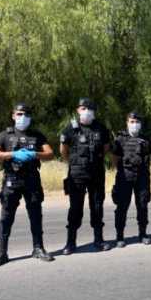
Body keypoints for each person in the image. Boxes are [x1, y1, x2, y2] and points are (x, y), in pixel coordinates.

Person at [0, 103, 55, 269]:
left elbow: (50, 154)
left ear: (30, 117)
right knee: (6, 218)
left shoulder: (37, 135)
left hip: (32, 180)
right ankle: (1, 253)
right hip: (12, 180)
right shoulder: (5, 135)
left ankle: (38, 248)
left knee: (36, 216)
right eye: (19, 113)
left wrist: (35, 154)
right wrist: (12, 154)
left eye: (26, 114)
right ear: (13, 115)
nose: (22, 117)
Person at [60, 98, 112, 254]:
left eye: (90, 108)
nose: (87, 111)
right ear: (78, 110)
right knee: (75, 207)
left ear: (94, 111)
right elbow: (63, 150)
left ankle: (99, 240)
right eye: (83, 108)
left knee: (97, 206)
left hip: (96, 173)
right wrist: (74, 162)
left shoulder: (101, 128)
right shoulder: (70, 128)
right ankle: (70, 242)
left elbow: (106, 148)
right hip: (77, 174)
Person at [111, 112, 151, 248]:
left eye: (137, 122)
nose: (134, 124)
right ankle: (120, 236)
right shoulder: (120, 139)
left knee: (142, 205)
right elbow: (115, 158)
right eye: (132, 121)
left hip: (142, 176)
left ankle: (143, 234)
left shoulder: (145, 139)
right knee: (122, 206)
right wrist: (121, 170)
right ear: (127, 123)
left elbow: (148, 157)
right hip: (125, 176)